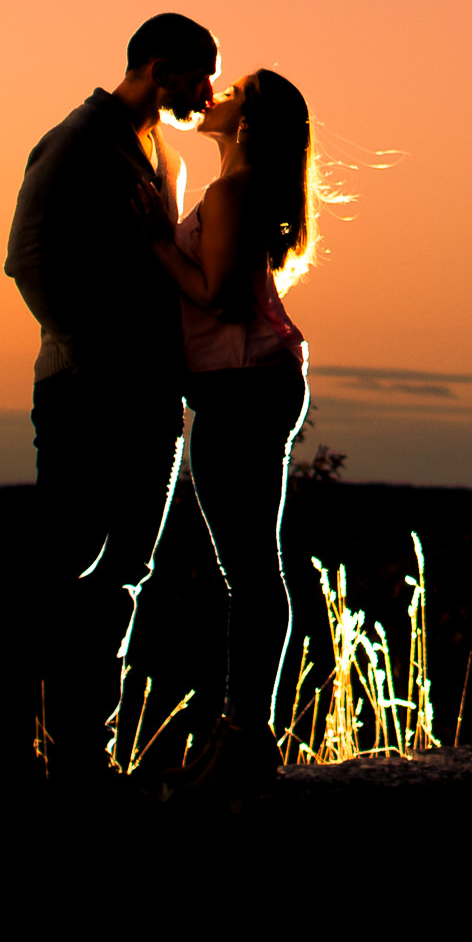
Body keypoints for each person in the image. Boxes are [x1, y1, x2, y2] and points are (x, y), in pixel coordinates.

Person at [6, 12, 219, 783]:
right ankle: (47, 755)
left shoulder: (164, 156)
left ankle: (85, 756)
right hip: (85, 393)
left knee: (126, 571)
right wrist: (92, 356)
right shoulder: (78, 140)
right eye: (202, 76)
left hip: (153, 400)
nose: (209, 93)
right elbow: (26, 256)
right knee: (72, 565)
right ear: (159, 66)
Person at [150, 65, 319, 788]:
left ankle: (245, 740)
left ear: (245, 121)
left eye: (232, 90)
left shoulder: (231, 193)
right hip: (259, 381)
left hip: (242, 387)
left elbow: (217, 300)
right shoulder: (242, 191)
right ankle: (246, 735)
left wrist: (155, 245)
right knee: (254, 573)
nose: (213, 96)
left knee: (249, 574)